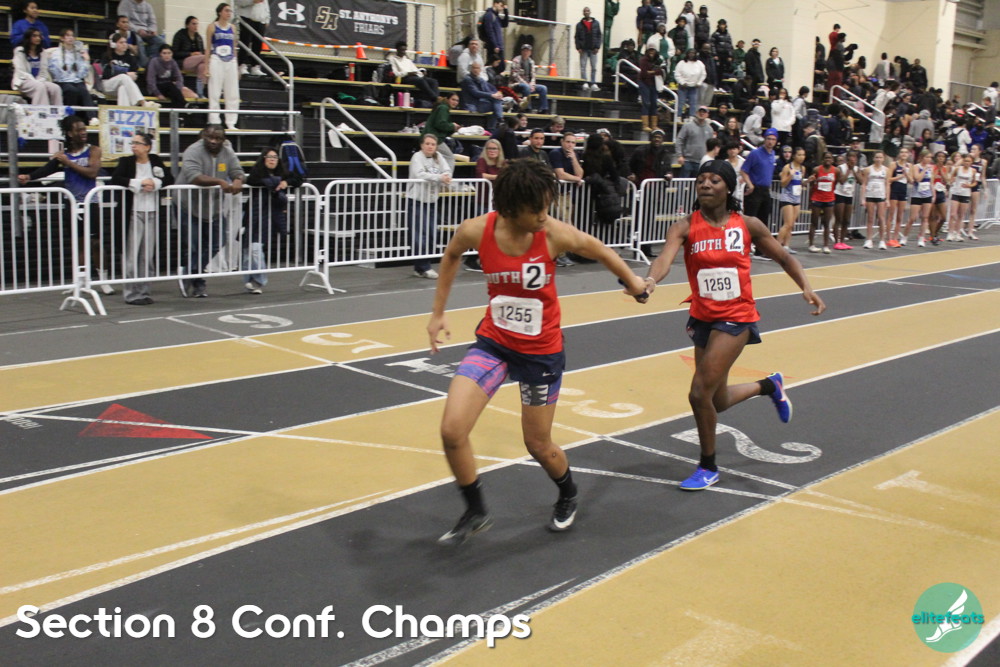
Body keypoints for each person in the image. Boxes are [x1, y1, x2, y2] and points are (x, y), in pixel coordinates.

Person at [428, 158, 647, 543]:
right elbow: (451, 256)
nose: (544, 216)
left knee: (538, 444)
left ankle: (568, 493)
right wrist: (438, 313)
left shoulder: (553, 234)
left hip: (540, 354)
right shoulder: (477, 230)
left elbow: (598, 249)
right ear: (511, 209)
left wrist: (633, 282)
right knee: (451, 429)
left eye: (547, 207)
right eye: (537, 210)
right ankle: (475, 510)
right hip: (494, 343)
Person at [640, 160, 825, 490]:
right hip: (702, 316)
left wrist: (806, 287)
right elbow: (664, 258)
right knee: (718, 400)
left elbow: (784, 257)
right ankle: (770, 386)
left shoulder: (748, 224)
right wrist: (651, 281)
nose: (705, 185)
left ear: (728, 188)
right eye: (701, 180)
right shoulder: (685, 226)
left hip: (736, 316)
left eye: (714, 180)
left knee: (699, 393)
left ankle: (708, 466)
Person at [18, 115, 104, 283]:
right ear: (70, 134)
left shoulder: (93, 150)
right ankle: (81, 282)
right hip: (71, 203)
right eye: (79, 130)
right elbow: (47, 169)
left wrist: (68, 163)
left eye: (84, 129)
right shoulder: (63, 154)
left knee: (96, 243)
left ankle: (103, 279)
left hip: (90, 202)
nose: (83, 132)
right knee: (78, 243)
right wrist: (29, 177)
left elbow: (92, 172)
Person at [177, 124, 245, 298]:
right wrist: (220, 182)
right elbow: (194, 176)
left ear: (223, 140)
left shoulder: (227, 152)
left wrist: (238, 179)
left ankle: (190, 272)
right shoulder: (193, 151)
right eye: (209, 137)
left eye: (218, 138)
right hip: (188, 205)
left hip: (214, 207)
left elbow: (237, 170)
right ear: (203, 136)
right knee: (193, 246)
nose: (213, 141)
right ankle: (198, 282)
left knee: (218, 241)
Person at [110, 132, 173, 305]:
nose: (134, 146)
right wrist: (138, 183)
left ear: (147, 147)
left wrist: (155, 183)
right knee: (131, 255)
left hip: (152, 212)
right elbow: (116, 178)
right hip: (133, 212)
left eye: (137, 143)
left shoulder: (155, 160)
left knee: (147, 255)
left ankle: (144, 291)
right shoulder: (126, 162)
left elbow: (169, 178)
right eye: (133, 143)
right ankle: (131, 293)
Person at [241, 147, 301, 293]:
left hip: (270, 216)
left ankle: (258, 281)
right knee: (248, 251)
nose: (272, 160)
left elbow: (298, 178)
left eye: (275, 157)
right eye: (269, 157)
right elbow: (252, 180)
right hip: (254, 214)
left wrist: (285, 182)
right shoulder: (257, 172)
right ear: (264, 159)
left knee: (256, 249)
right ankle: (249, 279)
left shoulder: (283, 172)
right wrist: (273, 182)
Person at [406, 134, 452, 279]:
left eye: (433, 144)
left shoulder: (438, 157)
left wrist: (445, 176)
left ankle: (420, 267)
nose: (430, 146)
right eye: (427, 143)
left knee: (432, 234)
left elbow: (447, 170)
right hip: (417, 200)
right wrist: (439, 178)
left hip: (431, 201)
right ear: (422, 145)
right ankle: (423, 267)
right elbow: (419, 174)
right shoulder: (417, 157)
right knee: (419, 235)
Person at [207, 3, 240, 129]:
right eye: (226, 10)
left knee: (232, 93)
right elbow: (208, 48)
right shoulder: (212, 27)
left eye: (230, 11)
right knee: (214, 92)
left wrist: (236, 66)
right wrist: (206, 67)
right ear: (219, 12)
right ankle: (214, 121)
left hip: (231, 60)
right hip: (216, 59)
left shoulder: (233, 28)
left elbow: (234, 48)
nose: (229, 13)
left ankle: (231, 122)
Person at [741, 128, 778, 241]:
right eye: (768, 139)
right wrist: (750, 184)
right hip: (755, 189)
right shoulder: (755, 153)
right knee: (750, 218)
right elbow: (743, 170)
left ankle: (760, 247)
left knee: (763, 220)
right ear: (764, 139)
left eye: (773, 139)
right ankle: (746, 243)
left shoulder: (772, 154)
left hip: (765, 189)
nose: (770, 142)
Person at [12, 28, 62, 105]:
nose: (38, 38)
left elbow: (43, 71)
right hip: (23, 80)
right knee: (40, 87)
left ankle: (57, 111)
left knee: (55, 88)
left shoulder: (43, 52)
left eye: (39, 36)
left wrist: (40, 80)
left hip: (39, 81)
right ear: (28, 37)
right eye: (34, 36)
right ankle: (41, 111)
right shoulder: (20, 51)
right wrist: (34, 81)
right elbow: (21, 71)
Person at [387, 42, 441, 106]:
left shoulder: (407, 60)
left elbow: (416, 70)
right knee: (420, 80)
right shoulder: (392, 59)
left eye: (404, 50)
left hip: (414, 77)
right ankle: (435, 98)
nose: (403, 52)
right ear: (397, 50)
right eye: (401, 50)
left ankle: (436, 100)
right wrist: (407, 73)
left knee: (433, 81)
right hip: (403, 78)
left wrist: (421, 73)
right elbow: (396, 73)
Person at [101, 33, 145, 107]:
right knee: (123, 76)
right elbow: (106, 74)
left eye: (125, 42)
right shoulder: (107, 56)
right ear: (113, 44)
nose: (124, 44)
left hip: (123, 85)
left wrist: (125, 74)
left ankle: (124, 112)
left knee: (123, 88)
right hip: (108, 85)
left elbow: (134, 76)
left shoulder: (131, 58)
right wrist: (126, 74)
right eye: (121, 42)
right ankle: (142, 102)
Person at [147, 44, 196, 109]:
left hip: (170, 88)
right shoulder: (154, 61)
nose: (167, 55)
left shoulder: (173, 62)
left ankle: (178, 112)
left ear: (172, 54)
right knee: (171, 86)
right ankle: (185, 105)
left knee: (174, 92)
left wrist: (178, 88)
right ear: (160, 54)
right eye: (164, 53)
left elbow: (179, 77)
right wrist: (158, 94)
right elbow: (150, 80)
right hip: (157, 87)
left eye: (169, 53)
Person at [777, 146, 806, 252]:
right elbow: (783, 184)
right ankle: (776, 247)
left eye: (803, 155)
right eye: (799, 155)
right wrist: (790, 175)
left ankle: (786, 246)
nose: (802, 157)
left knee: (792, 224)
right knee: (787, 224)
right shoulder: (787, 167)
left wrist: (807, 182)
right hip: (787, 198)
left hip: (796, 198)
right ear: (794, 156)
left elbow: (800, 183)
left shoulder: (802, 168)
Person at [460, 62, 503, 131]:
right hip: (472, 104)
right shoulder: (467, 79)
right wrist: (492, 95)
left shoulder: (480, 79)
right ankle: (498, 121)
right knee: (496, 104)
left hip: (480, 103)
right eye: (474, 68)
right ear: (471, 69)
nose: (475, 70)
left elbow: (490, 88)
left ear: (480, 70)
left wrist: (497, 93)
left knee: (497, 101)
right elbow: (476, 93)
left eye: (477, 68)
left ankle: (497, 122)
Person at [808, 151, 837, 253]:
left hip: (829, 199)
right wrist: (810, 200)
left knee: (827, 223)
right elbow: (812, 185)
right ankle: (811, 244)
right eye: (826, 158)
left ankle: (826, 245)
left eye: (829, 158)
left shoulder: (836, 170)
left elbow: (836, 183)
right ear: (822, 159)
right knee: (814, 222)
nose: (828, 160)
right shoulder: (817, 169)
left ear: (832, 160)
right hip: (817, 198)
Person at [172, 15, 207, 98]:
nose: (196, 26)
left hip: (196, 63)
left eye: (197, 24)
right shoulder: (180, 35)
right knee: (206, 57)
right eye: (193, 24)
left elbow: (201, 51)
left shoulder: (198, 37)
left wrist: (199, 54)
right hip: (182, 61)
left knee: (202, 66)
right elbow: (175, 53)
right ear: (187, 25)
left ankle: (200, 93)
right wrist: (190, 54)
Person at [860, 151, 889, 249]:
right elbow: (864, 184)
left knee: (881, 218)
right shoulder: (868, 169)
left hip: (881, 195)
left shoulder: (886, 170)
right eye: (877, 157)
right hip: (870, 195)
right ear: (873, 158)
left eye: (880, 157)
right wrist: (863, 198)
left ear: (883, 159)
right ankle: (869, 240)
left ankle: (882, 240)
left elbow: (887, 184)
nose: (878, 159)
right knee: (870, 218)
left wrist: (887, 199)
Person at [509, 44, 550, 114]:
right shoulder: (516, 60)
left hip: (528, 84)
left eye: (528, 51)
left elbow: (533, 75)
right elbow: (515, 75)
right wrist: (526, 84)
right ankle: (528, 108)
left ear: (530, 52)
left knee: (543, 88)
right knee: (526, 87)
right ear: (521, 51)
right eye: (524, 51)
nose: (526, 53)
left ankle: (543, 108)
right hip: (516, 84)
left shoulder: (531, 62)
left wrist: (532, 84)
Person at [676, 105, 715, 178]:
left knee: (697, 183)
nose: (702, 113)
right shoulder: (687, 126)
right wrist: (680, 155)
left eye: (704, 112)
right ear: (696, 113)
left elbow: (711, 146)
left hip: (702, 161)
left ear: (707, 114)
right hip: (687, 161)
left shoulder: (710, 129)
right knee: (683, 183)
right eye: (700, 111)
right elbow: (679, 140)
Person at [426, 92, 462, 170]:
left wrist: (453, 128)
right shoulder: (443, 108)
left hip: (431, 137)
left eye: (457, 100)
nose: (455, 102)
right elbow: (440, 124)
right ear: (447, 99)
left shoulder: (442, 107)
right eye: (453, 99)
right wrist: (452, 126)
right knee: (449, 157)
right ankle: (448, 176)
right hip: (434, 138)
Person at [832, 149, 860, 250]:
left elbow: (861, 181)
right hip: (839, 194)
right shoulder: (841, 168)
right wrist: (848, 170)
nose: (852, 159)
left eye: (854, 157)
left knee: (846, 220)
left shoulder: (857, 169)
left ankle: (842, 241)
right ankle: (836, 242)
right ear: (847, 158)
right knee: (839, 219)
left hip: (849, 195)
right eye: (851, 157)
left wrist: (854, 171)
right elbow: (842, 181)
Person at [947, 152, 977, 241]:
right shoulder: (958, 169)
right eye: (965, 161)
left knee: (961, 215)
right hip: (956, 192)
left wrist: (969, 186)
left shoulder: (973, 171)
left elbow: (975, 182)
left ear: (971, 162)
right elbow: (951, 176)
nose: (967, 163)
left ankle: (957, 233)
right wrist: (951, 182)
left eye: (969, 161)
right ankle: (950, 233)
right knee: (953, 214)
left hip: (965, 194)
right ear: (963, 161)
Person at [235, 0, 269, 77]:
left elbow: (265, 5)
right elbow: (239, 2)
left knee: (258, 44)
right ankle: (241, 65)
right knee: (245, 42)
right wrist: (253, 1)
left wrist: (267, 19)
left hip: (260, 20)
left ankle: (255, 66)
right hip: (247, 18)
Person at [885, 147, 910, 247]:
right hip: (894, 191)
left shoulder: (909, 166)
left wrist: (906, 174)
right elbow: (888, 179)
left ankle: (895, 238)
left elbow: (911, 180)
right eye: (902, 152)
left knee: (900, 216)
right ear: (899, 154)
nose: (904, 154)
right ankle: (889, 238)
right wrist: (899, 176)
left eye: (906, 152)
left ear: (908, 154)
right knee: (891, 215)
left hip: (903, 191)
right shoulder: (893, 164)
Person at [674, 49, 706, 120]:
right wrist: (682, 82)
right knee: (681, 102)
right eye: (690, 53)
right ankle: (678, 117)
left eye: (693, 53)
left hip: (694, 87)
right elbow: (677, 74)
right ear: (687, 54)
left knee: (693, 103)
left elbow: (703, 74)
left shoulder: (699, 63)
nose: (691, 55)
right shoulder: (681, 63)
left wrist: (699, 82)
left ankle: (692, 117)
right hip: (683, 86)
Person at [575, 7, 602, 91]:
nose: (586, 12)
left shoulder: (596, 23)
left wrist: (597, 47)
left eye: (587, 11)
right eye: (585, 11)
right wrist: (578, 47)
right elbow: (577, 37)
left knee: (594, 67)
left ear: (590, 12)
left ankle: (593, 83)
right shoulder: (579, 25)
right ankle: (585, 82)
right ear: (583, 13)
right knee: (583, 67)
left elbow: (599, 35)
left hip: (593, 49)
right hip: (584, 49)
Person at [637, 46, 661, 132]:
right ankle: (645, 125)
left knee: (654, 103)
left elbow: (662, 71)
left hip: (654, 84)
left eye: (653, 50)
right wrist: (655, 72)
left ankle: (654, 125)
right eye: (650, 50)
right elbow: (644, 73)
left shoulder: (658, 60)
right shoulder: (643, 60)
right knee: (646, 103)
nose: (652, 52)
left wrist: (651, 72)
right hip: (644, 83)